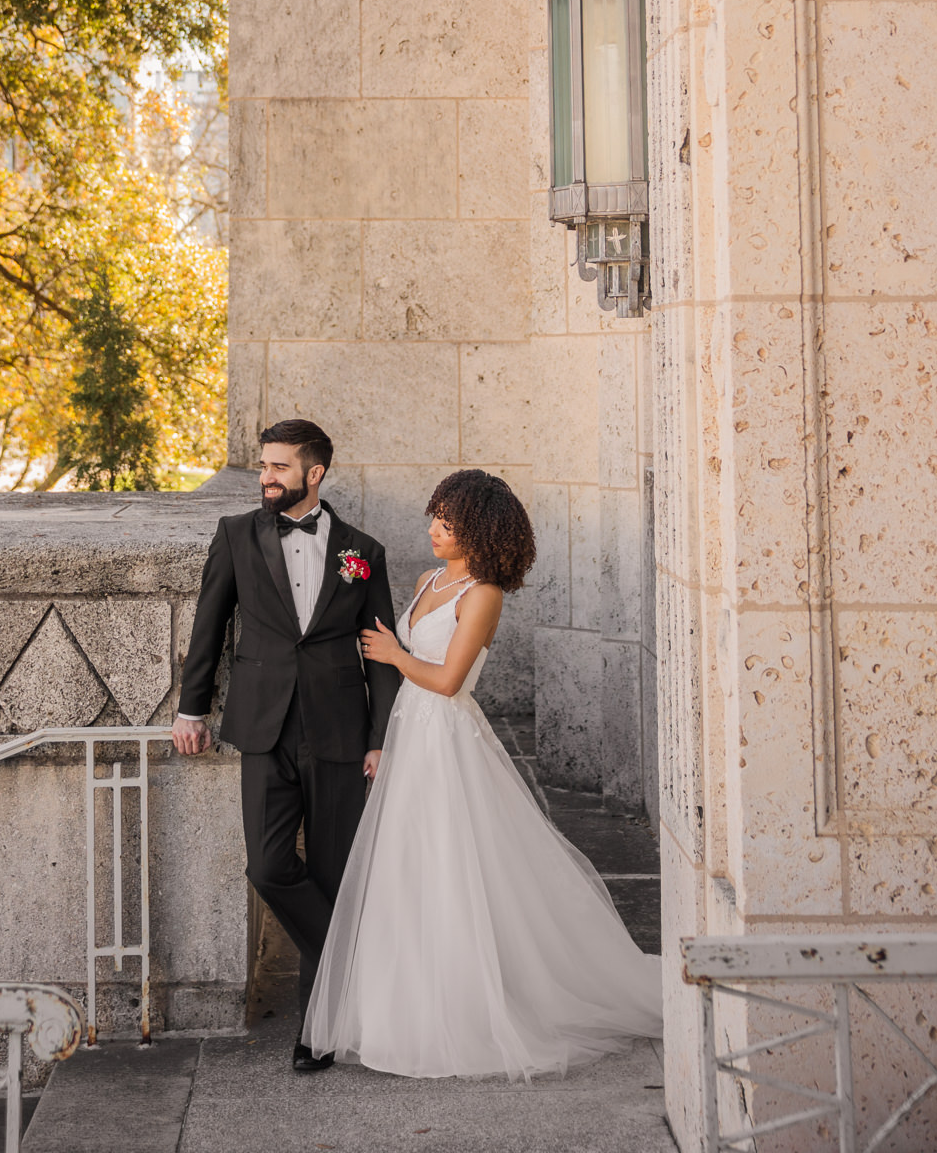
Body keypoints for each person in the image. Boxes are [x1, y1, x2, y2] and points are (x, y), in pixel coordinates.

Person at [303, 468, 663, 1080]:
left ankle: (463, 1009)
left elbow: (447, 682)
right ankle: (399, 1009)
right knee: (406, 866)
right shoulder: (427, 579)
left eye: (445, 522)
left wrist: (395, 653)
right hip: (407, 734)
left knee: (452, 866)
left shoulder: (484, 594)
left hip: (446, 739)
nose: (433, 530)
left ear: (476, 529)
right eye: (435, 518)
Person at [171, 418, 399, 1073]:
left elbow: (380, 656)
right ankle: (350, 967)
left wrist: (381, 739)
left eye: (276, 467)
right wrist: (191, 709)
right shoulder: (235, 535)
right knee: (270, 867)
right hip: (262, 727)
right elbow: (208, 622)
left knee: (332, 874)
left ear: (314, 473)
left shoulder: (362, 551)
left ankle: (317, 1032)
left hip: (339, 732)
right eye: (262, 467)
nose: (265, 477)